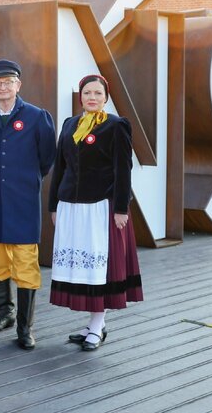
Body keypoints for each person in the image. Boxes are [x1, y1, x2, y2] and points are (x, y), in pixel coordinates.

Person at [49, 74, 143, 350]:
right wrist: (54, 204)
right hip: (71, 206)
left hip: (100, 207)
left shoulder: (116, 126)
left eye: (98, 93)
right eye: (87, 93)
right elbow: (60, 167)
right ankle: (93, 325)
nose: (92, 97)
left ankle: (98, 326)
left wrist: (121, 208)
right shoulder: (69, 124)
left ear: (106, 97)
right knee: (81, 268)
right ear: (80, 96)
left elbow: (122, 170)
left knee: (98, 269)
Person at [0, 59, 56, 350]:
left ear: (18, 85)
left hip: (23, 201)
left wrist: (26, 179)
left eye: (8, 82)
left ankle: (24, 327)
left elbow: (47, 158)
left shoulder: (36, 116)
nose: (3, 87)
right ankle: (3, 314)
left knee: (25, 263)